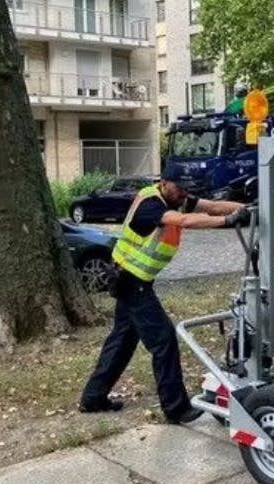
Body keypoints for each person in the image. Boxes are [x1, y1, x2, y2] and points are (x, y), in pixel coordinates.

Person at [79, 163, 249, 423]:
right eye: (179, 188)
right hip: (130, 281)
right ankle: (176, 408)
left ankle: (92, 398)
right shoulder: (151, 204)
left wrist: (243, 209)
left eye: (185, 189)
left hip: (134, 280)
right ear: (164, 182)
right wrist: (226, 221)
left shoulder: (176, 197)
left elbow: (211, 205)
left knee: (121, 342)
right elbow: (182, 220)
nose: (183, 193)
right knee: (164, 340)